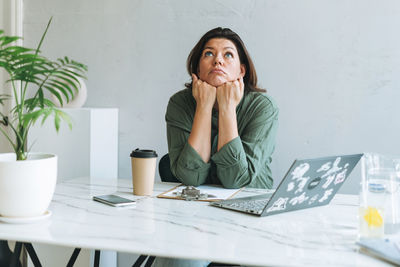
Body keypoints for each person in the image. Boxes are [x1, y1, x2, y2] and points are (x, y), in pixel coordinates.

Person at [165, 27, 279, 190]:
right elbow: (190, 177)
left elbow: (235, 180)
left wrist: (227, 108)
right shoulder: (180, 103)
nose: (218, 60)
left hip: (249, 202)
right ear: (198, 69)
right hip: (197, 205)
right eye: (209, 54)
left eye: (228, 54)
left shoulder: (263, 107)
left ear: (241, 70)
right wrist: (204, 106)